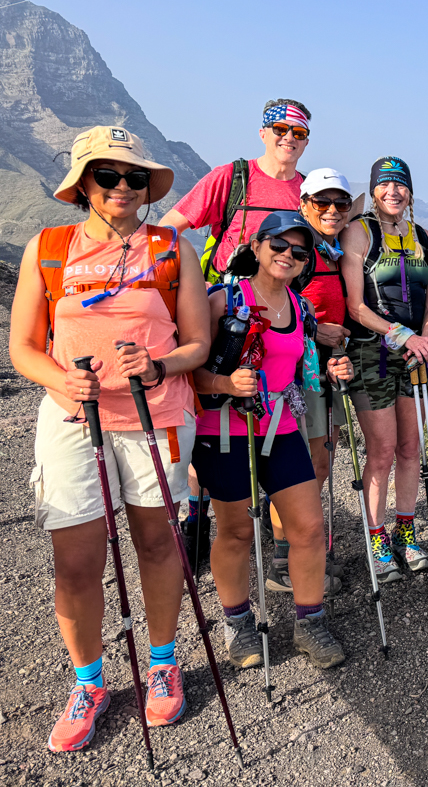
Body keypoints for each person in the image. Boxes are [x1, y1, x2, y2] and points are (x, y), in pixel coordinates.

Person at [8, 126, 209, 751]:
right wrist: (65, 385)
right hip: (74, 420)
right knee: (76, 561)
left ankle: (163, 661)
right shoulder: (47, 248)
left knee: (157, 543)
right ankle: (89, 681)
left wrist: (156, 367)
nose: (124, 187)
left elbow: (196, 344)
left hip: (160, 416)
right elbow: (22, 348)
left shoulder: (174, 247)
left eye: (135, 177)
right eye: (108, 175)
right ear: (83, 183)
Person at [191, 212, 353, 671]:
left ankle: (309, 621)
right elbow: (191, 370)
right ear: (257, 247)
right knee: (237, 531)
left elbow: (299, 371)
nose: (288, 256)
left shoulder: (301, 308)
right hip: (223, 429)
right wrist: (225, 387)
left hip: (280, 426)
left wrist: (333, 369)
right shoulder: (223, 299)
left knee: (307, 529)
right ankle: (238, 623)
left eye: (299, 251)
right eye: (279, 246)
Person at [159, 98, 313, 568]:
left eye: (299, 133)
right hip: (224, 311)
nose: (288, 139)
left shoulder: (308, 193)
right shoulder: (234, 177)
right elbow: (170, 229)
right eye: (280, 129)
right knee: (211, 405)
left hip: (286, 317)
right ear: (263, 132)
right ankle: (199, 512)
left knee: (266, 411)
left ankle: (261, 529)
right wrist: (189, 293)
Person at [264, 168, 365, 591]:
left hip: (331, 366)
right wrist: (314, 330)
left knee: (322, 459)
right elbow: (269, 304)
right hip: (299, 370)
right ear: (303, 204)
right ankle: (285, 562)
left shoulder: (333, 249)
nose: (332, 210)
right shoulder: (298, 250)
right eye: (321, 202)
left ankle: (311, 549)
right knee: (297, 466)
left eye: (340, 204)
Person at [341, 156, 428, 576]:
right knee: (381, 452)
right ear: (374, 189)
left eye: (400, 184)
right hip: (373, 353)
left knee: (410, 449)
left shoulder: (424, 237)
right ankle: (376, 536)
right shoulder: (359, 232)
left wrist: (427, 339)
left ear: (410, 191)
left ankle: (406, 531)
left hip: (415, 355)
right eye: (384, 185)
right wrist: (405, 337)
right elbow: (356, 306)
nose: (392, 192)